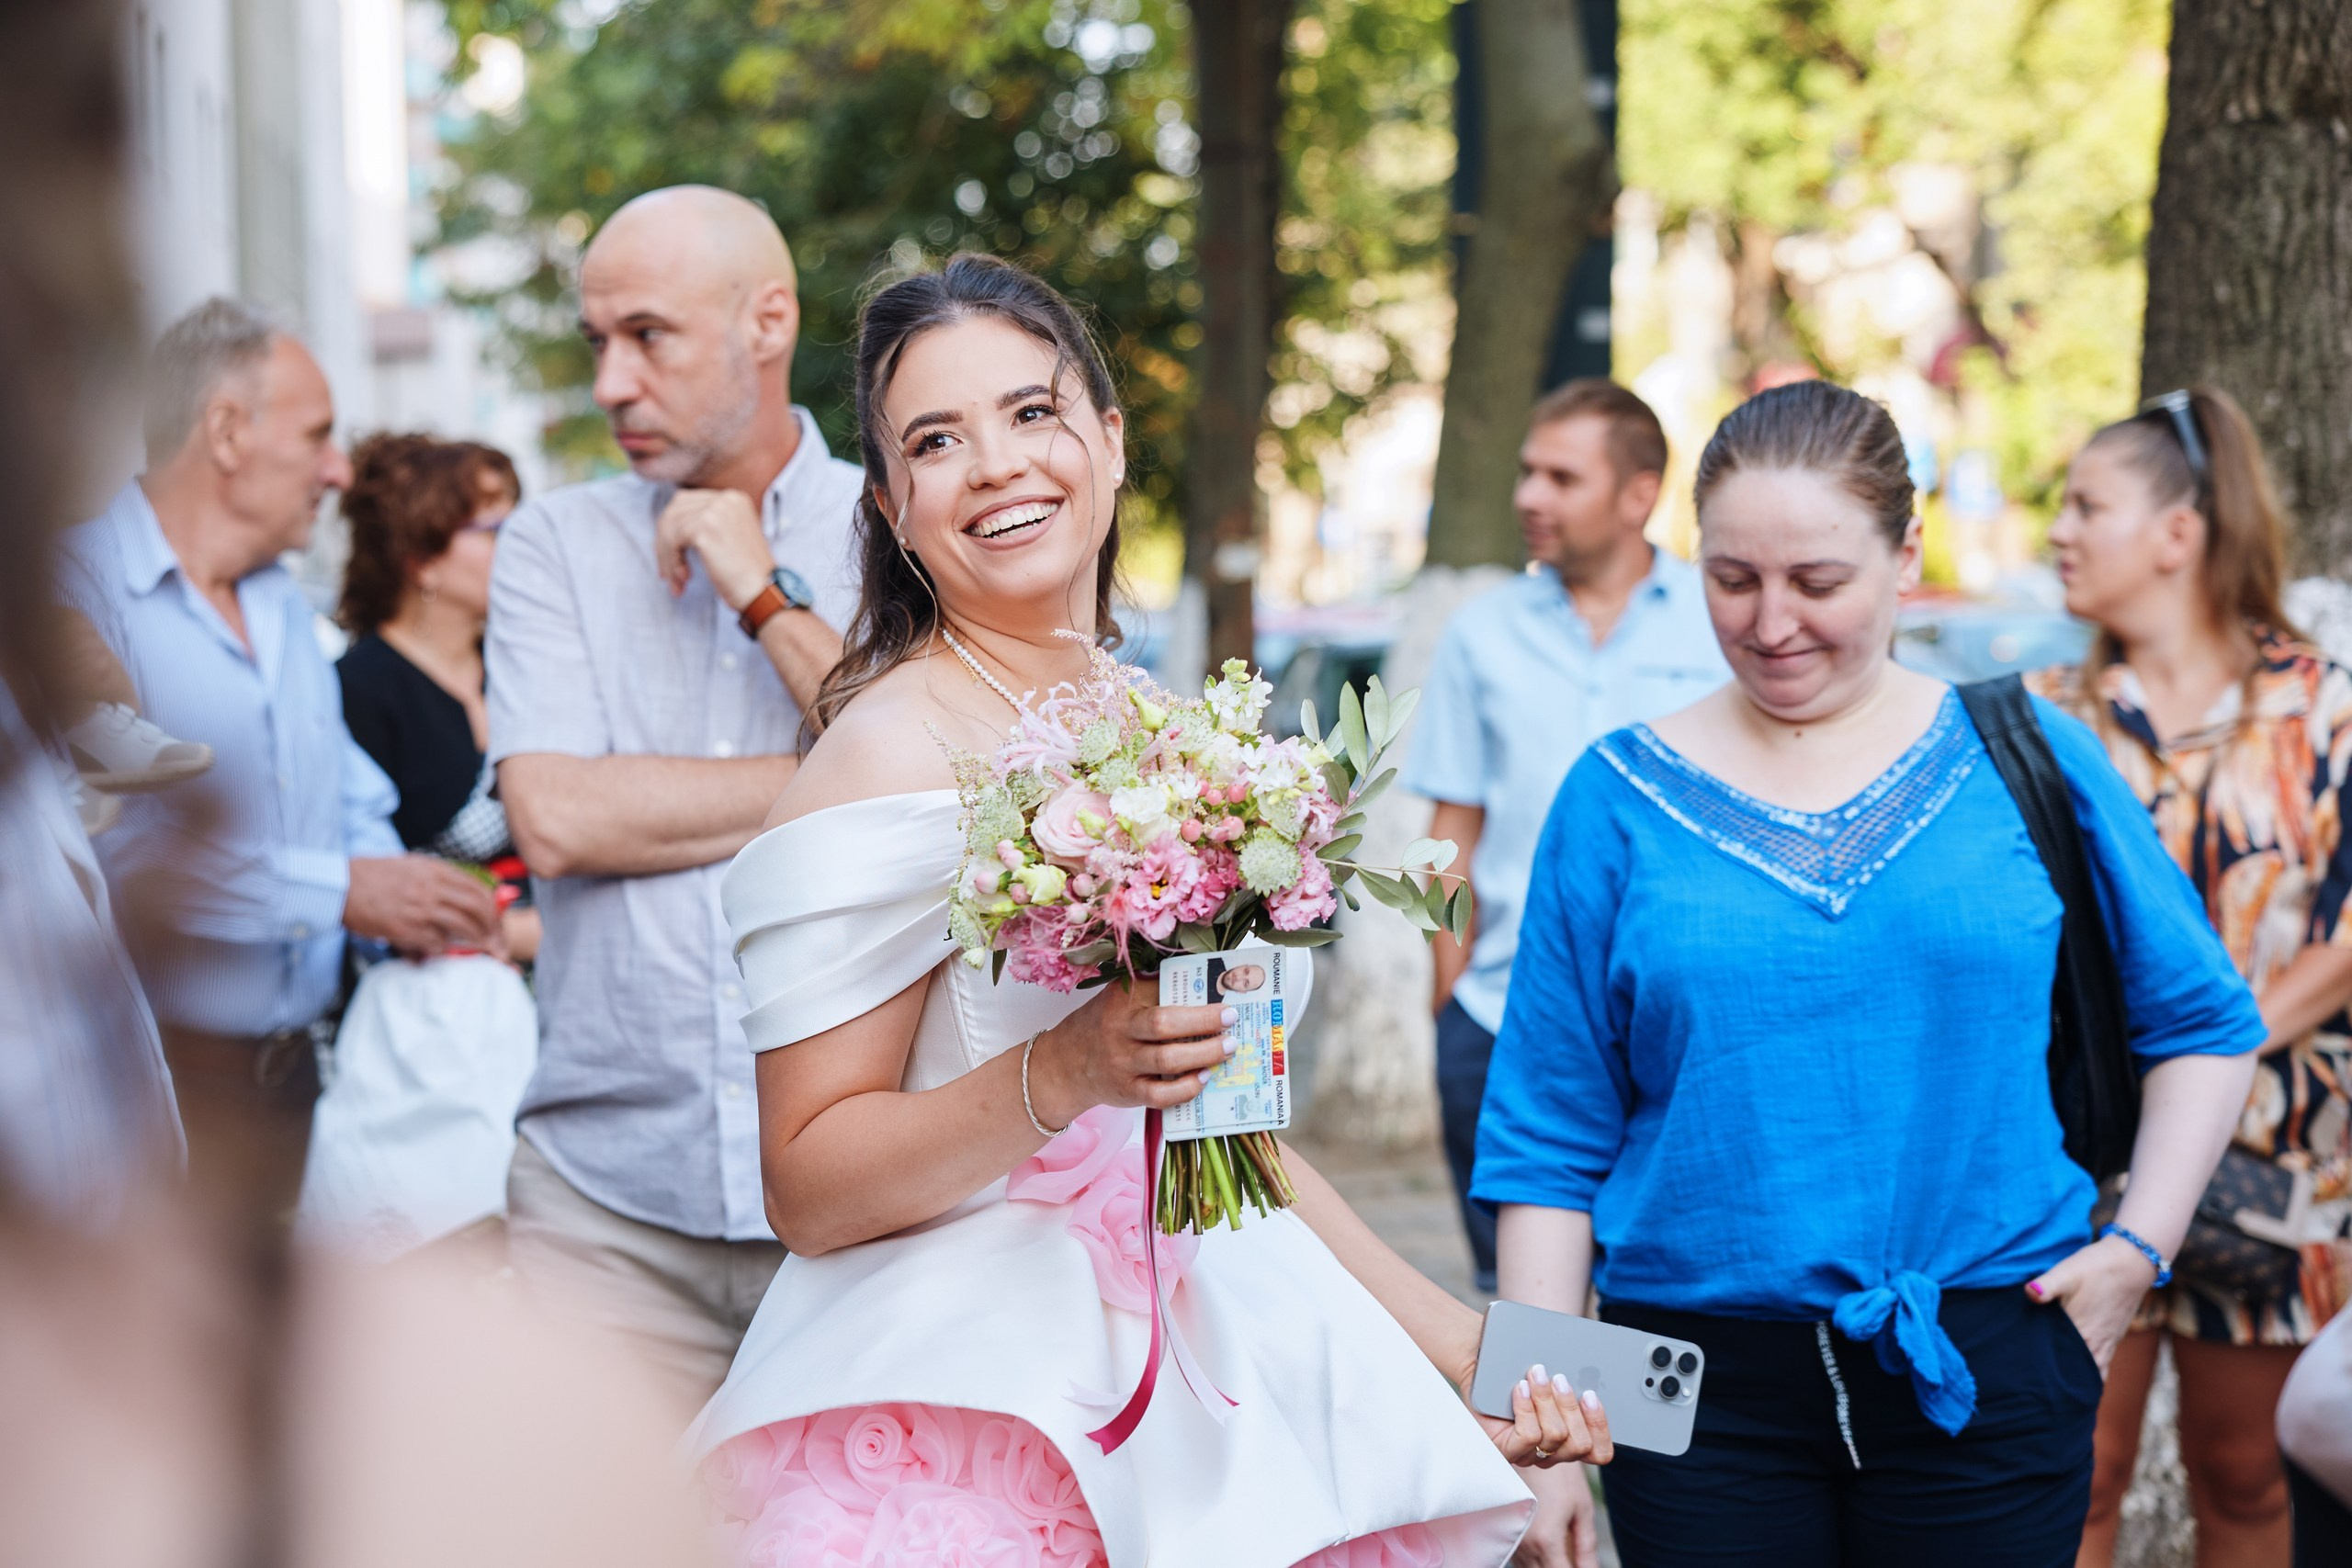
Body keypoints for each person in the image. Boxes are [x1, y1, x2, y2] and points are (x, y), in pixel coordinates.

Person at [690, 251, 1610, 1568]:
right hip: (981, 1411)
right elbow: (809, 1183)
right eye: (936, 441)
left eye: (1032, 412)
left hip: (1228, 1360)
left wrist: (1463, 1349)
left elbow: (1235, 1132)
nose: (997, 463)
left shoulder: (1171, 740)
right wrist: (1062, 1068)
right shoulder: (882, 756)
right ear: (894, 504)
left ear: (1109, 444)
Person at [1475, 379, 2267, 1568]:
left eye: (1818, 581)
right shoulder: (1616, 793)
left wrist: (2135, 1254)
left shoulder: (2031, 751)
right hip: (1685, 1389)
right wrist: (1539, 1426)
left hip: (1989, 1361)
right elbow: (1549, 1130)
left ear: (1907, 555)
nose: (1772, 621)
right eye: (1732, 579)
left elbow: (2204, 1021)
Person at [487, 185, 864, 1413]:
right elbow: (556, 818)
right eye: (598, 340)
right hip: (604, 1215)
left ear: (768, 322)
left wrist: (762, 594)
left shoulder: (900, 524)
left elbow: (967, 808)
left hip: (861, 1222)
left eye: (647, 335)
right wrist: (850, 782)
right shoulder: (553, 544)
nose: (608, 382)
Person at [53, 299, 499, 1236]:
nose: (339, 471)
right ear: (226, 431)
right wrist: (344, 892)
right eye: (318, 436)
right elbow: (110, 857)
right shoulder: (75, 594)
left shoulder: (285, 606)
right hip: (161, 1090)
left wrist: (409, 899)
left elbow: (345, 793)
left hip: (306, 1079)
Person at [2026, 387, 2352, 1568]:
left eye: (2085, 506)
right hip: (2080, 1164)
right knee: (2074, 1467)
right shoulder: (2043, 721)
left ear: (2177, 533)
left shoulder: (2324, 710)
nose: (2056, 532)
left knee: (2244, 1472)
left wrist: (2202, 1064)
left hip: (2277, 1159)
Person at [1404, 380, 1725, 1296]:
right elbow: (1447, 836)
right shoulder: (1480, 634)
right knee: (1519, 1320)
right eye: (1525, 473)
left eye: (1561, 477)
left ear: (1637, 494)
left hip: (1675, 1024)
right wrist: (1449, 998)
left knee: (1653, 1307)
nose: (1529, 498)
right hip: (1501, 1023)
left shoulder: (1719, 619)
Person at [337, 433, 537, 961]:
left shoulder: (524, 665)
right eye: (496, 529)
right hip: (435, 1001)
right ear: (421, 559)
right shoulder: (355, 690)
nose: (521, 543)